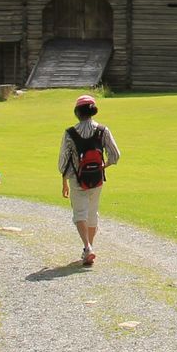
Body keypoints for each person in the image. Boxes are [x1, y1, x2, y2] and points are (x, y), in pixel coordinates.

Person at [59, 94, 120, 267]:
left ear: (77, 112)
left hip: (77, 179)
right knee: (92, 213)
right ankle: (89, 248)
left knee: (80, 214)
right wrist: (102, 167)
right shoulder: (103, 130)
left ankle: (87, 247)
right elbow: (115, 155)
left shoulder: (70, 133)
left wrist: (64, 181)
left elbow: (64, 162)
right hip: (97, 179)